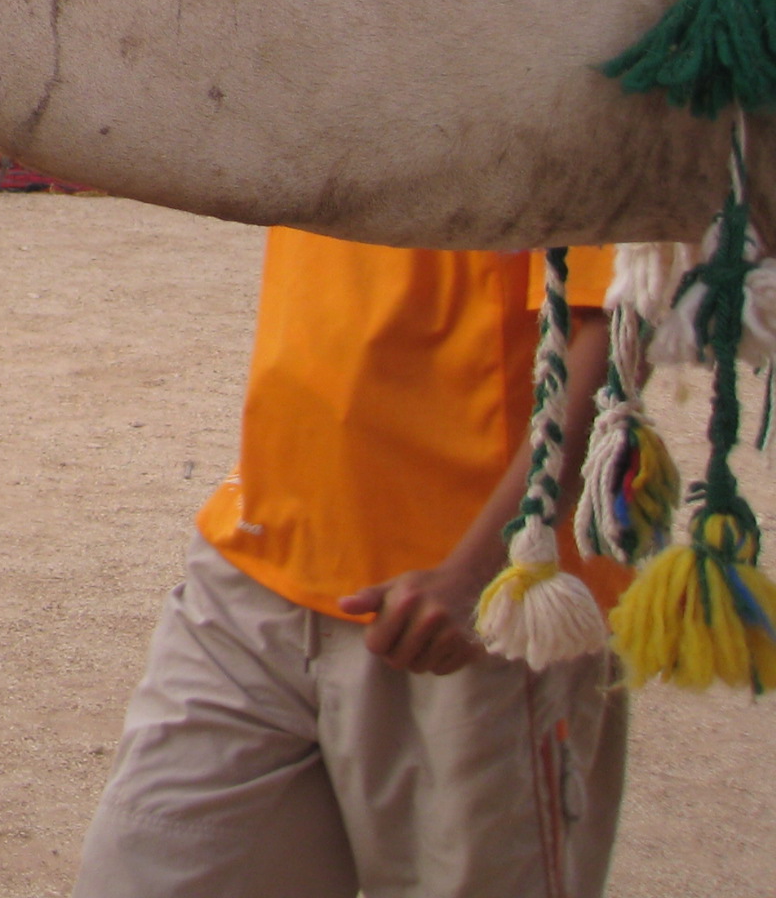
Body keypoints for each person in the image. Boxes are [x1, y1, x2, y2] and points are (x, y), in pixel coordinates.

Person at [73, 234, 625, 898]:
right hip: (262, 558)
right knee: (148, 867)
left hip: (470, 611)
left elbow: (619, 317)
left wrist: (484, 567)